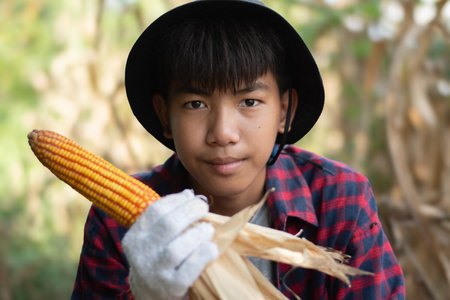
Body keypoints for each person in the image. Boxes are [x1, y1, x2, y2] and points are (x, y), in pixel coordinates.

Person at [71, 0, 405, 299]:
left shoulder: (340, 201)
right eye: (195, 103)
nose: (223, 133)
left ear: (283, 111)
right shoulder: (115, 224)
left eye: (249, 101)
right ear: (165, 116)